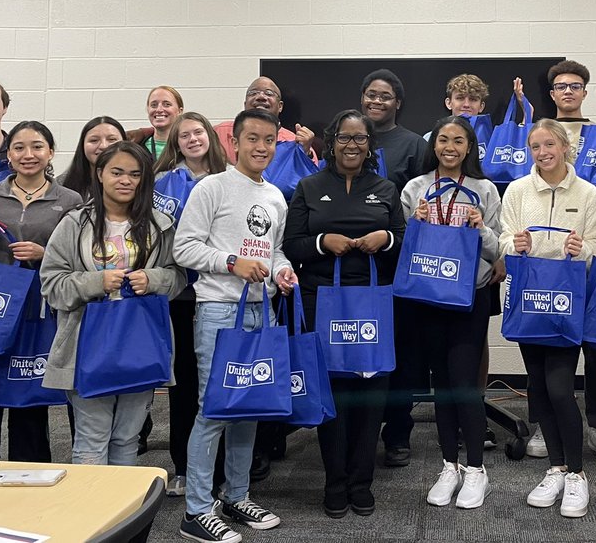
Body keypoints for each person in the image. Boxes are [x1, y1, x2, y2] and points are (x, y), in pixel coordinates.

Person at [173, 108, 296, 543]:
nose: (262, 147)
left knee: (250, 409)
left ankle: (236, 495)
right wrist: (230, 262)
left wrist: (282, 271)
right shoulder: (212, 187)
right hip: (219, 311)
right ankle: (197, 510)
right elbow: (184, 248)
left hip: (263, 311)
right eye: (253, 139)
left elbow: (273, 250)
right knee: (214, 409)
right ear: (234, 144)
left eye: (270, 141)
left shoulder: (276, 197)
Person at [282, 109, 405, 519]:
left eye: (360, 138)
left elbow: (405, 242)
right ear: (331, 141)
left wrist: (384, 238)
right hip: (321, 302)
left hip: (371, 302)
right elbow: (292, 244)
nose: (352, 145)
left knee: (370, 394)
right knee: (332, 395)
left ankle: (361, 482)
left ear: (370, 145)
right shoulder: (309, 186)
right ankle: (334, 482)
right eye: (344, 138)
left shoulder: (385, 188)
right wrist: (322, 242)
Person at [40, 142, 186, 466]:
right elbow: (51, 284)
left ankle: (126, 516)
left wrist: (153, 280)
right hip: (86, 344)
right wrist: (95, 282)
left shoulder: (161, 225)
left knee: (127, 439)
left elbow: (179, 278)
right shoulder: (74, 223)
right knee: (92, 440)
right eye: (117, 172)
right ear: (100, 173)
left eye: (135, 174)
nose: (126, 180)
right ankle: (91, 516)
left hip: (141, 341)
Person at [0, 120, 83, 462]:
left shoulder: (69, 199)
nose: (29, 155)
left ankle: (31, 476)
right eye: (19, 148)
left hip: (38, 310)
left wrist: (46, 255)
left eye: (37, 146)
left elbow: (81, 258)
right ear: (8, 154)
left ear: (51, 152)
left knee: (28, 398)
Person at [500, 118, 596, 519]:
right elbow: (504, 236)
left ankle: (578, 474)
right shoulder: (517, 190)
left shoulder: (588, 192)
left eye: (549, 145)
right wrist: (516, 244)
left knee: (561, 388)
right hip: (529, 299)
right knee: (539, 389)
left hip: (566, 301)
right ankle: (556, 469)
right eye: (535, 147)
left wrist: (582, 248)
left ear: (565, 146)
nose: (542, 153)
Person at [400, 116, 501, 510]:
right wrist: (415, 223)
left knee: (463, 382)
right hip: (428, 298)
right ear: (434, 144)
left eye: (459, 140)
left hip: (467, 298)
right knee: (441, 383)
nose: (450, 147)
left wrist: (479, 227)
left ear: (469, 147)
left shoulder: (484, 189)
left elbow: (496, 250)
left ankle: (476, 469)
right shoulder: (415, 189)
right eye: (443, 139)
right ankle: (450, 465)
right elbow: (403, 247)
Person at [536, 60, 596, 466]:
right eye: (560, 86)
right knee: (545, 348)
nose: (568, 91)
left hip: (588, 259)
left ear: (585, 92)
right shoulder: (537, 134)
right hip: (544, 267)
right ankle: (544, 423)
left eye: (576, 85)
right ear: (552, 93)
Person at [151, 111, 228, 498]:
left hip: (221, 293)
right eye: (185, 135)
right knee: (184, 383)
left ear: (210, 137)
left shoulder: (230, 178)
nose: (193, 139)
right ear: (175, 143)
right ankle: (183, 465)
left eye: (199, 132)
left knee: (220, 382)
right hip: (180, 296)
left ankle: (221, 470)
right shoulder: (163, 183)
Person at [359, 68, 427, 465]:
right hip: (354, 262)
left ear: (397, 102)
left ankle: (398, 432)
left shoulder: (414, 145)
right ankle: (360, 428)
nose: (377, 101)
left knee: (401, 351)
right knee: (360, 343)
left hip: (398, 261)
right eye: (371, 94)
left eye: (385, 96)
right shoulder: (351, 136)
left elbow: (421, 202)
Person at [213, 77, 314, 161]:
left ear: (280, 106)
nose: (261, 97)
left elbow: (309, 177)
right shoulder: (219, 133)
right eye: (253, 93)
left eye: (269, 93)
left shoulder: (293, 141)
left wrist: (305, 153)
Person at [59, 116, 128, 199]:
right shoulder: (61, 185)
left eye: (112, 139)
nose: (103, 146)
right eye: (94, 140)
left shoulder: (135, 183)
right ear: (82, 145)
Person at [143, 85, 184, 162]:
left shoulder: (189, 146)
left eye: (167, 104)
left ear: (179, 111)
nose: (159, 109)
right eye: (154, 105)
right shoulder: (138, 148)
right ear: (148, 109)